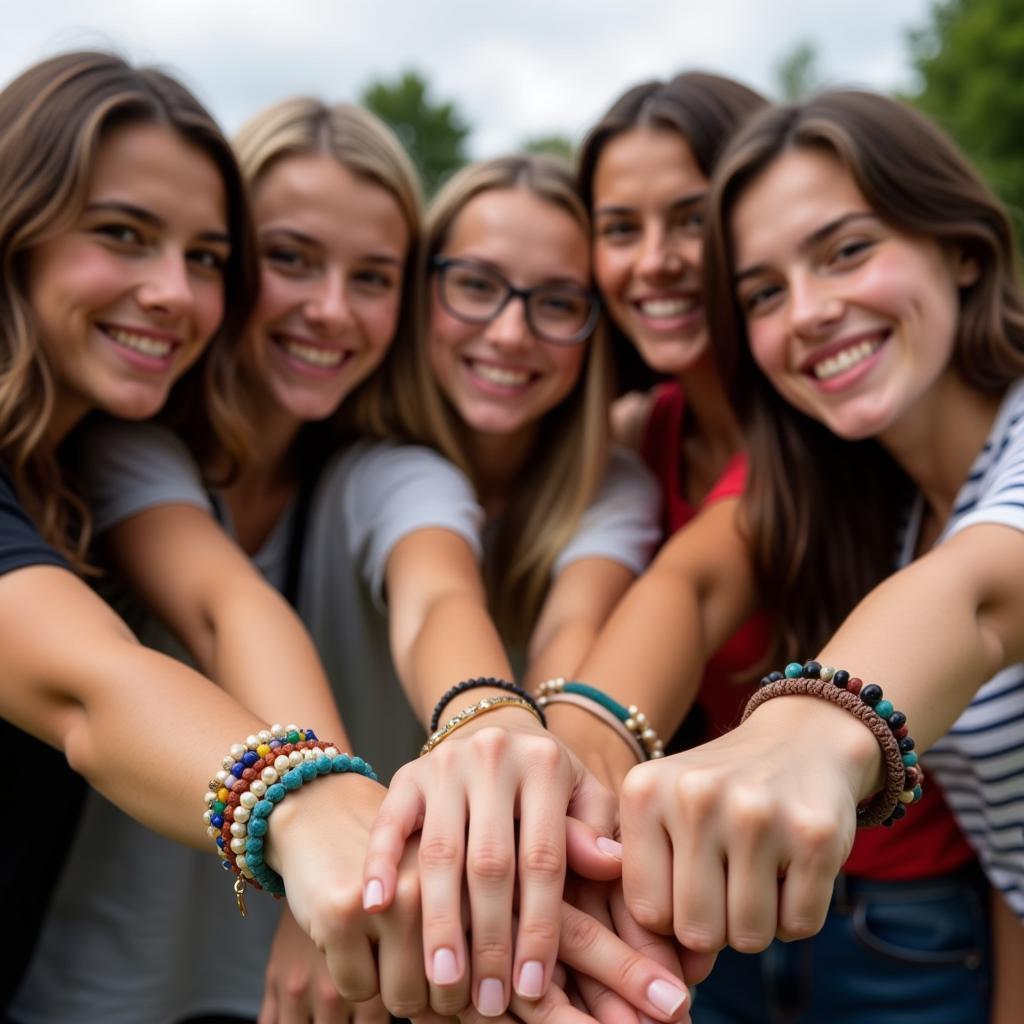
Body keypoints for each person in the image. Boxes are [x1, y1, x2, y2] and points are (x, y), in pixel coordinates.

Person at [14, 103, 687, 1024]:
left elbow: (436, 596)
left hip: (310, 961)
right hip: (107, 959)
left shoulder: (389, 469)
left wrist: (490, 719)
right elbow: (229, 605)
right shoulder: (127, 444)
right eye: (290, 258)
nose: (330, 307)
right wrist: (327, 822)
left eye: (371, 276)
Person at [538, 74, 992, 1020]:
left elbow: (975, 595)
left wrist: (805, 733)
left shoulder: (868, 448)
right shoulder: (691, 441)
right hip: (730, 912)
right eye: (768, 289)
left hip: (907, 915)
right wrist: (557, 775)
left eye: (847, 252)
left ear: (960, 246)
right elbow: (678, 590)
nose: (814, 310)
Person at [0, 50, 395, 1021]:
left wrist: (336, 800)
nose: (174, 291)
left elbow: (229, 610)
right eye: (122, 234)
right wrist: (307, 821)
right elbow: (94, 688)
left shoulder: (82, 456)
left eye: (206, 257)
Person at [360, 154, 677, 1019]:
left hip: (479, 918)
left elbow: (573, 640)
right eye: (475, 285)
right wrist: (486, 720)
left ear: (594, 325)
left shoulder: (613, 487)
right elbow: (436, 600)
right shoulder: (364, 463)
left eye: (557, 303)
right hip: (354, 893)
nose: (509, 332)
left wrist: (543, 774)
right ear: (422, 288)